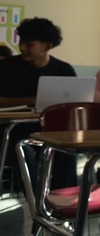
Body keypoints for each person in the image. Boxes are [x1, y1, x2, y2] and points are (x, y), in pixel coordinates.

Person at [0, 17, 78, 191]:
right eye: (21, 42)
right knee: (23, 151)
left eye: (29, 44)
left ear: (48, 46)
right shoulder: (6, 68)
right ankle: (39, 201)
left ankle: (64, 200)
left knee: (67, 152)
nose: (22, 48)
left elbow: (75, 104)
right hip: (13, 130)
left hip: (53, 130)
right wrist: (30, 100)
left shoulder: (63, 70)